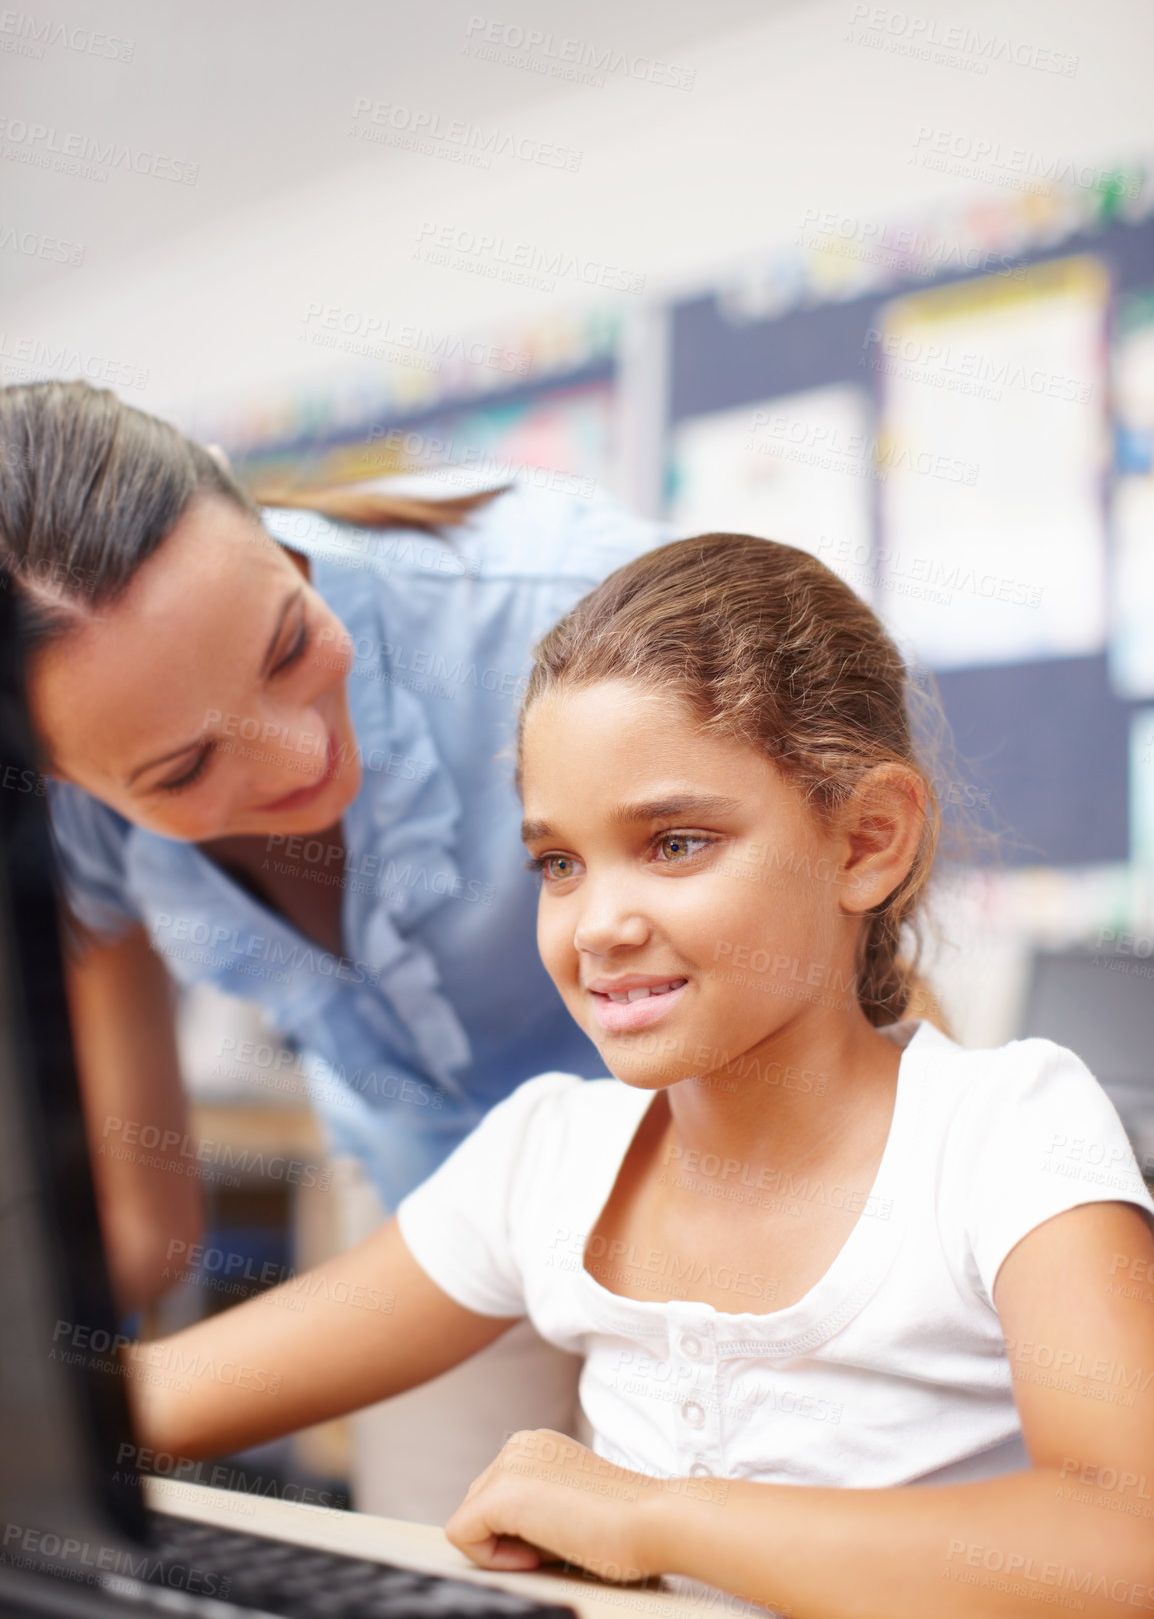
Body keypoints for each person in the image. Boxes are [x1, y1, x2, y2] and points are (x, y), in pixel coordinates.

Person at [128, 532, 1154, 1617]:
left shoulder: (1006, 1134)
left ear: (863, 841)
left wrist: (652, 1514)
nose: (599, 925)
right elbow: (162, 1396)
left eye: (673, 843)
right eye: (557, 863)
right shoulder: (549, 1155)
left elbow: (1124, 1534)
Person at [0, 376, 671, 1520]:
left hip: (715, 1177)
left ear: (246, 505)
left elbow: (839, 994)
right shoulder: (56, 808)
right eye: (183, 770)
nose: (299, 752)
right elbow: (142, 1215)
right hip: (425, 1216)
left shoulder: (572, 606)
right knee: (445, 1564)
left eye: (286, 644)